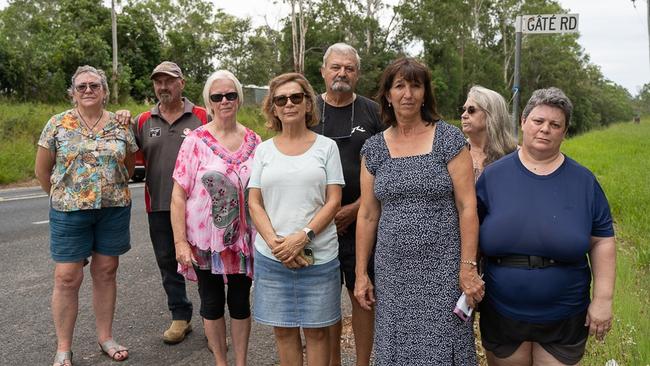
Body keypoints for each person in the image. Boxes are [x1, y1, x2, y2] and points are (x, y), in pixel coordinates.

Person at [354, 57, 484, 365]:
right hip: (392, 272)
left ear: (425, 93)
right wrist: (361, 273)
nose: (408, 94)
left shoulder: (449, 139)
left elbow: (467, 206)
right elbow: (368, 214)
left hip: (443, 270)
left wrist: (467, 267)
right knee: (396, 347)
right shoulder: (373, 149)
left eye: (415, 85)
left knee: (444, 346)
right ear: (387, 94)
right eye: (399, 86)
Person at [476, 87, 616, 366]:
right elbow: (471, 232)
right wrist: (467, 275)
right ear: (523, 123)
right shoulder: (493, 177)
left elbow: (602, 241)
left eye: (555, 125)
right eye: (538, 121)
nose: (545, 130)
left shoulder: (584, 182)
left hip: (564, 314)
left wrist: (603, 299)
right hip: (502, 311)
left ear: (564, 132)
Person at [35, 65, 138, 366]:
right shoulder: (57, 124)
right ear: (73, 93)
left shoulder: (120, 125)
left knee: (106, 272)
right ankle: (64, 348)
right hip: (69, 212)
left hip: (113, 210)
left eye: (94, 85)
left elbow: (129, 167)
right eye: (82, 87)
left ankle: (105, 337)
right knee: (67, 278)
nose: (88, 90)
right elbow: (42, 172)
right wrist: (64, 197)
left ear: (105, 92)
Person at [248, 72, 345, 366]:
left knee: (317, 335)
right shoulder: (263, 151)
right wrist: (279, 244)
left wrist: (302, 237)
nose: (288, 103)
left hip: (318, 256)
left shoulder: (327, 147)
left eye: (296, 97)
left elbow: (334, 201)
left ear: (307, 104)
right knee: (284, 332)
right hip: (273, 256)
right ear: (273, 108)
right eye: (281, 99)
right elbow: (255, 202)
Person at [170, 70, 261, 366]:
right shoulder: (195, 140)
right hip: (204, 240)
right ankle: (221, 362)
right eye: (217, 96)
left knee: (239, 302)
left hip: (242, 240)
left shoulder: (254, 140)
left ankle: (241, 362)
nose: (224, 101)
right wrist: (180, 242)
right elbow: (178, 194)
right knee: (210, 303)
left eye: (230, 95)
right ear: (208, 102)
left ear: (239, 99)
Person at [311, 43, 382, 366]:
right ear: (323, 71)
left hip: (363, 221)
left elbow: (388, 168)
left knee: (363, 297)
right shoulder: (307, 109)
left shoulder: (374, 113)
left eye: (349, 68)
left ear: (358, 74)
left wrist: (354, 208)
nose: (342, 73)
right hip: (316, 225)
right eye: (336, 67)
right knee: (325, 304)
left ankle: (363, 362)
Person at [132, 61, 208, 344]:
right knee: (168, 261)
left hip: (199, 208)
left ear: (182, 83)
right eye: (158, 82)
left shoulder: (202, 116)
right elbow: (130, 158)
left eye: (169, 81)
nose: (163, 87)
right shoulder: (142, 121)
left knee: (205, 265)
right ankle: (180, 316)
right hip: (159, 205)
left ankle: (211, 320)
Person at [460, 85, 518, 180]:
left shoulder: (515, 154)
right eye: (464, 110)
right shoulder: (454, 152)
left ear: (492, 114)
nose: (463, 115)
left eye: (471, 110)